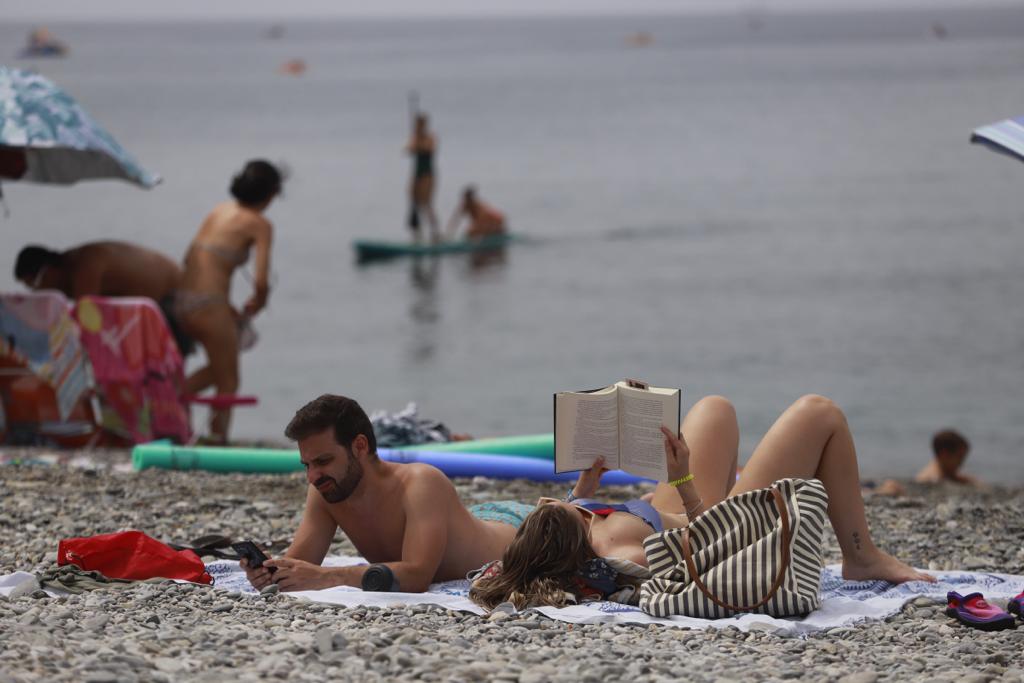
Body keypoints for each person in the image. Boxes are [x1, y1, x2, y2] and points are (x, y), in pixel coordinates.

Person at [470, 395, 936, 610]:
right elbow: (713, 548)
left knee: (715, 408)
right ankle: (862, 557)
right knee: (821, 414)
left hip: (671, 508)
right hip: (724, 522)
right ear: (571, 534)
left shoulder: (576, 537)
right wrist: (683, 481)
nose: (558, 497)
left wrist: (585, 490)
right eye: (563, 503)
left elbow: (563, 538)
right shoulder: (623, 557)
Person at [240, 394, 533, 593]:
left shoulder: (419, 483)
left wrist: (328, 577)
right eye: (307, 465)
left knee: (577, 514)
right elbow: (302, 565)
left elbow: (418, 576)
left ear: (360, 446)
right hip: (472, 521)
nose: (312, 476)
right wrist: (271, 572)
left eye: (323, 461)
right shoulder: (327, 490)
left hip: (521, 531)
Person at [178, 159, 281, 443]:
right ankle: (216, 438)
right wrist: (258, 303)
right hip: (209, 304)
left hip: (182, 300)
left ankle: (166, 398)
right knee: (229, 379)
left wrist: (223, 305)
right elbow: (261, 281)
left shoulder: (218, 210)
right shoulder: (260, 224)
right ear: (272, 193)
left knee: (218, 370)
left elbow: (190, 258)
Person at [13, 241, 194, 355]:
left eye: (35, 285)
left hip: (173, 299)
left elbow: (85, 323)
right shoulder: (72, 268)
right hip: (159, 302)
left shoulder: (85, 266)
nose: (38, 293)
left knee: (161, 374)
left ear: (48, 271)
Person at [406, 113, 439, 242]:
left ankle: (434, 232)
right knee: (413, 201)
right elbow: (408, 149)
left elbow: (429, 148)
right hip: (416, 173)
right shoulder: (415, 138)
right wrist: (413, 145)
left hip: (427, 174)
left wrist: (417, 144)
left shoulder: (430, 137)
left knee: (426, 203)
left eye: (420, 125)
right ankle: (417, 233)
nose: (418, 127)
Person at [915, 429, 979, 486]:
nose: (962, 462)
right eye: (960, 457)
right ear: (944, 454)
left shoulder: (946, 473)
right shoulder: (930, 480)